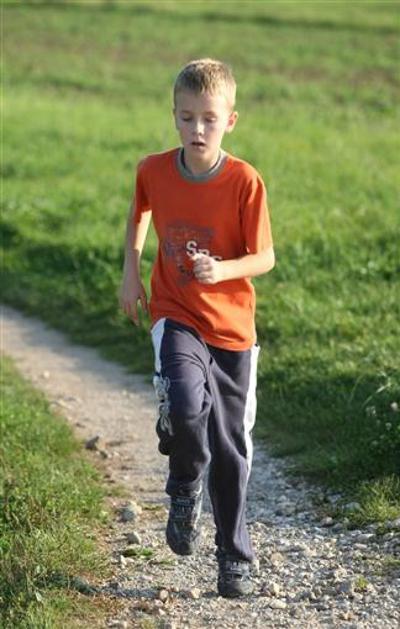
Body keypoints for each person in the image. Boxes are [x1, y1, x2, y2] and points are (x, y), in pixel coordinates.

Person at [119, 58, 275, 598]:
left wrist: (223, 270)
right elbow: (139, 212)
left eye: (209, 119)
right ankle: (185, 482)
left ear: (230, 120)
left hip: (232, 330)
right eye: (187, 118)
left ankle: (233, 556)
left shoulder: (244, 181)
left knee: (231, 447)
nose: (197, 129)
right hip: (176, 311)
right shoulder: (154, 170)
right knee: (185, 405)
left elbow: (265, 257)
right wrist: (131, 273)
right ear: (174, 116)